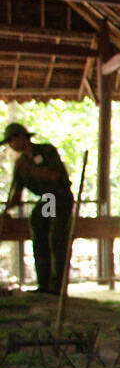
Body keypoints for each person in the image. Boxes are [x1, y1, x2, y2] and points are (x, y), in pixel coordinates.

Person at [1, 123, 74, 295]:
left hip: (59, 196)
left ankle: (58, 286)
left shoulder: (46, 151)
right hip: (48, 199)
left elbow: (55, 175)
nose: (11, 146)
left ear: (21, 137)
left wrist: (32, 169)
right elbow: (16, 192)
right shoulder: (20, 163)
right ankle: (44, 284)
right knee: (39, 229)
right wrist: (7, 210)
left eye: (12, 141)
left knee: (57, 238)